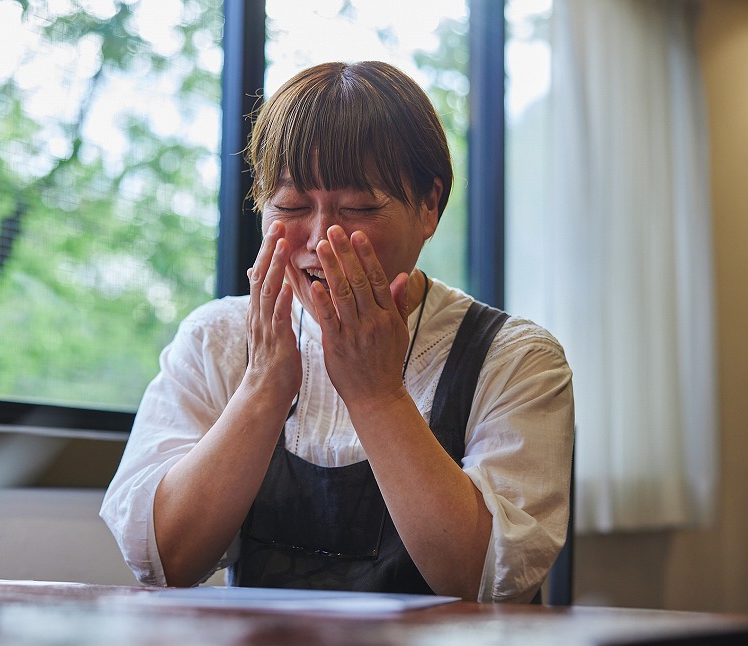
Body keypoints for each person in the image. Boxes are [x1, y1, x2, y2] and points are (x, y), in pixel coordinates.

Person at [101, 60, 574, 603]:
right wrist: (263, 385)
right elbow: (165, 563)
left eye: (359, 207)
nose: (323, 237)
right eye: (291, 206)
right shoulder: (219, 339)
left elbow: (487, 583)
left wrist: (378, 393)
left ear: (430, 207)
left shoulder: (516, 359)